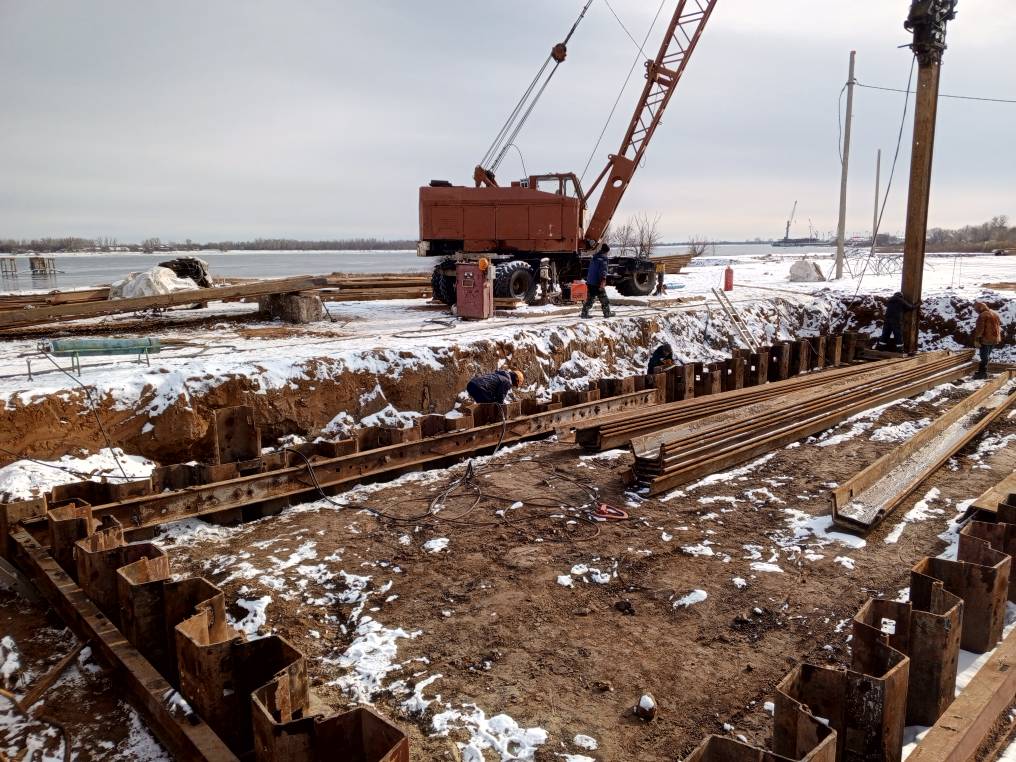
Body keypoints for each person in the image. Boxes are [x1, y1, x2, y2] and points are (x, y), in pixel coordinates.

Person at [972, 301, 1003, 380]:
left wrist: (977, 340)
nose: (976, 311)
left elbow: (980, 329)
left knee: (984, 357)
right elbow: (999, 324)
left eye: (976, 309)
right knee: (987, 356)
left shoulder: (982, 316)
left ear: (980, 308)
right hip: (994, 338)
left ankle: (982, 373)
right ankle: (983, 371)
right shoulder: (995, 313)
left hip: (986, 339)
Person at [581, 244, 612, 319]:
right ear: (606, 251)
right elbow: (603, 271)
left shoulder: (594, 257)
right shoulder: (603, 259)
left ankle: (584, 313)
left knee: (590, 299)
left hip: (590, 281)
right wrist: (603, 280)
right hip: (597, 282)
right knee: (604, 299)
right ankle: (607, 313)